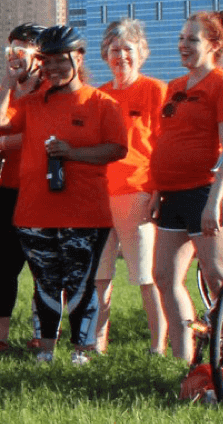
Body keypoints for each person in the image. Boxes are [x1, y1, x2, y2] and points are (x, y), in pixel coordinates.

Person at [0, 25, 127, 365]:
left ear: (78, 58)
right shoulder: (34, 102)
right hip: (34, 213)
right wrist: (10, 77)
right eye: (46, 62)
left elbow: (117, 149)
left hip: (84, 213)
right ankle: (46, 351)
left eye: (61, 61)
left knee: (80, 285)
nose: (53, 69)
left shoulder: (102, 103)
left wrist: (72, 153)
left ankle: (81, 351)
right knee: (45, 284)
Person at [148, 11, 223, 360]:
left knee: (219, 277)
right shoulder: (175, 87)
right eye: (181, 39)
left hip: (206, 192)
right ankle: (183, 358)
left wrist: (214, 202)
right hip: (172, 193)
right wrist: (156, 191)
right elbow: (167, 138)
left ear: (214, 45)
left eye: (192, 39)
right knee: (163, 275)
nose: (183, 46)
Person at [90, 18, 165, 355]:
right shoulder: (97, 97)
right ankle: (95, 345)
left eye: (127, 49)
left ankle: (158, 346)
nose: (121, 56)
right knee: (99, 276)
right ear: (105, 55)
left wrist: (158, 191)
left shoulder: (157, 92)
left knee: (148, 276)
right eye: (114, 49)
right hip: (99, 197)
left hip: (139, 194)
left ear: (142, 53)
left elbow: (165, 146)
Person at [0, 23, 45, 352]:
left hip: (43, 191)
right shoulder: (6, 91)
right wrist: (9, 80)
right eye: (12, 49)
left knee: (43, 268)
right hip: (9, 190)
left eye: (23, 49)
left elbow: (45, 133)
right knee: (0, 267)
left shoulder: (50, 90)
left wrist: (7, 142)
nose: (15, 55)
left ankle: (42, 334)